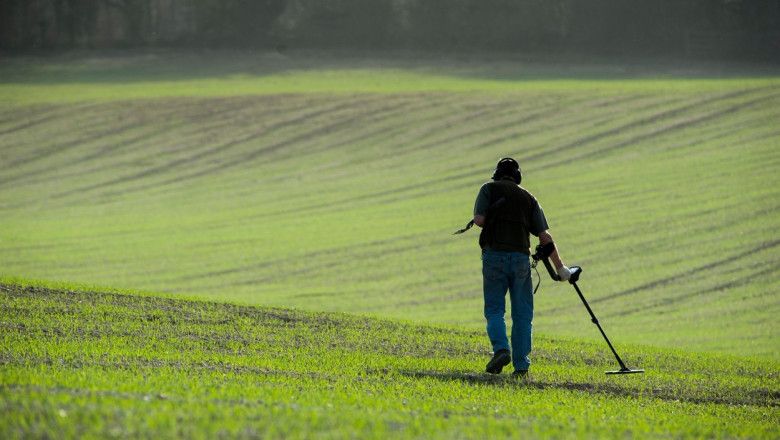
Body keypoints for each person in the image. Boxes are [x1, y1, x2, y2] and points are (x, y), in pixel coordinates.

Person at [472, 157, 572, 378]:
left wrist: (495, 218)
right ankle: (521, 365)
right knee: (523, 314)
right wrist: (561, 269)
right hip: (520, 259)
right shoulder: (529, 198)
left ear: (497, 174)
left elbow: (479, 220)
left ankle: (501, 350)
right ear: (517, 177)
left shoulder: (488, 189)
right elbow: (545, 236)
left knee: (495, 310)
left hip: (494, 256)